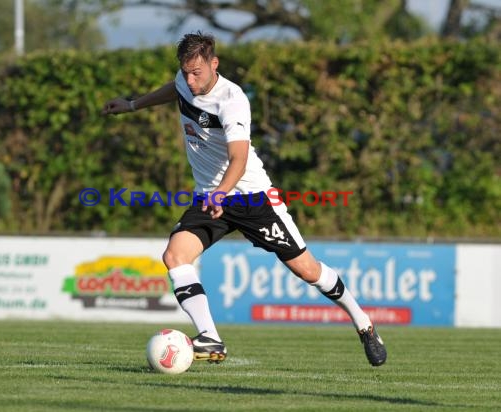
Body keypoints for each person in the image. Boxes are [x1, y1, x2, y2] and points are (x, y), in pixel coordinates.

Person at [102, 31, 387, 367]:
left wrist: (222, 192)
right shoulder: (184, 79)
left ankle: (364, 324)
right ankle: (210, 338)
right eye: (186, 72)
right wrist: (134, 104)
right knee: (175, 255)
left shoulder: (232, 100)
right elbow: (175, 88)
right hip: (211, 198)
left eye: (198, 73)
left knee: (307, 270)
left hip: (252, 198)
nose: (191, 81)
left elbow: (238, 157)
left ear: (214, 64)